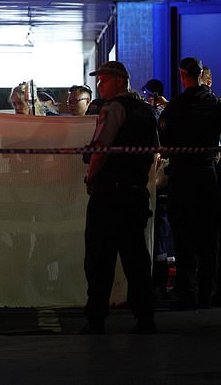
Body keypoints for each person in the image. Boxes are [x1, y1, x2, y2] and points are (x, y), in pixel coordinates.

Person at [158, 57, 221, 310]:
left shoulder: (176, 107)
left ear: (182, 75)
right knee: (210, 238)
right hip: (209, 176)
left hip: (182, 177)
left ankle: (188, 292)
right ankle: (208, 292)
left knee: (183, 236)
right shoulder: (218, 106)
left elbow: (164, 139)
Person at [80, 61, 157, 335]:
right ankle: (145, 316)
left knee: (100, 258)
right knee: (136, 258)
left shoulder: (112, 109)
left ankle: (96, 318)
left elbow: (100, 149)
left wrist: (91, 177)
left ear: (120, 81)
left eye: (104, 80)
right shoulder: (147, 112)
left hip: (109, 194)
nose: (99, 85)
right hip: (135, 193)